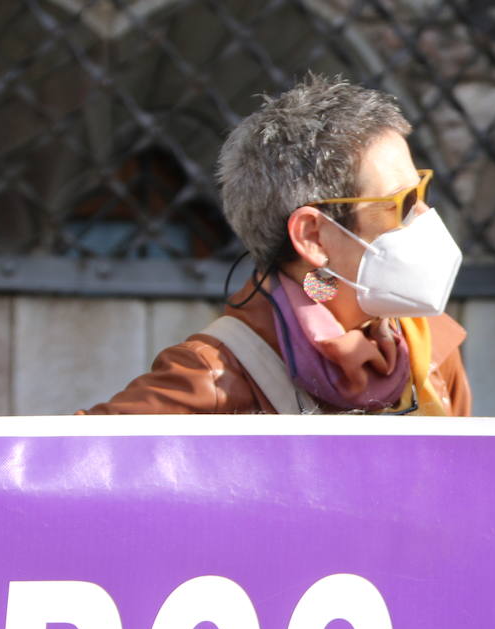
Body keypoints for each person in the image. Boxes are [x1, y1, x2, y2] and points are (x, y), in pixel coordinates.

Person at [84, 74, 471, 416]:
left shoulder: (429, 346)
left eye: (422, 190)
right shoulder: (214, 378)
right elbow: (61, 462)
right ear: (313, 237)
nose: (424, 214)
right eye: (402, 202)